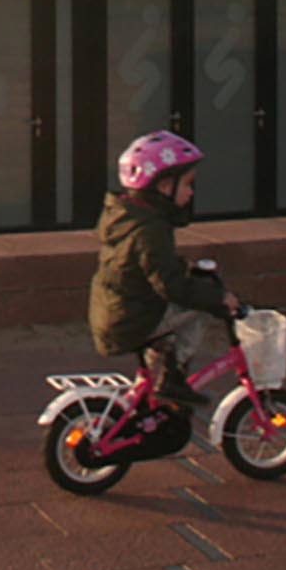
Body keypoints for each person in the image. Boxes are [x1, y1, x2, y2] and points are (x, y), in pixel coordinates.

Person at [89, 130, 239, 406]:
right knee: (198, 307)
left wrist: (184, 267)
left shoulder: (130, 216)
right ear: (164, 185)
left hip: (117, 310)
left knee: (182, 307)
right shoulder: (151, 229)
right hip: (129, 320)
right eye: (187, 185)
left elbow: (144, 265)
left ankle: (159, 374)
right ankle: (171, 377)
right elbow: (169, 285)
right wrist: (218, 299)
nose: (191, 192)